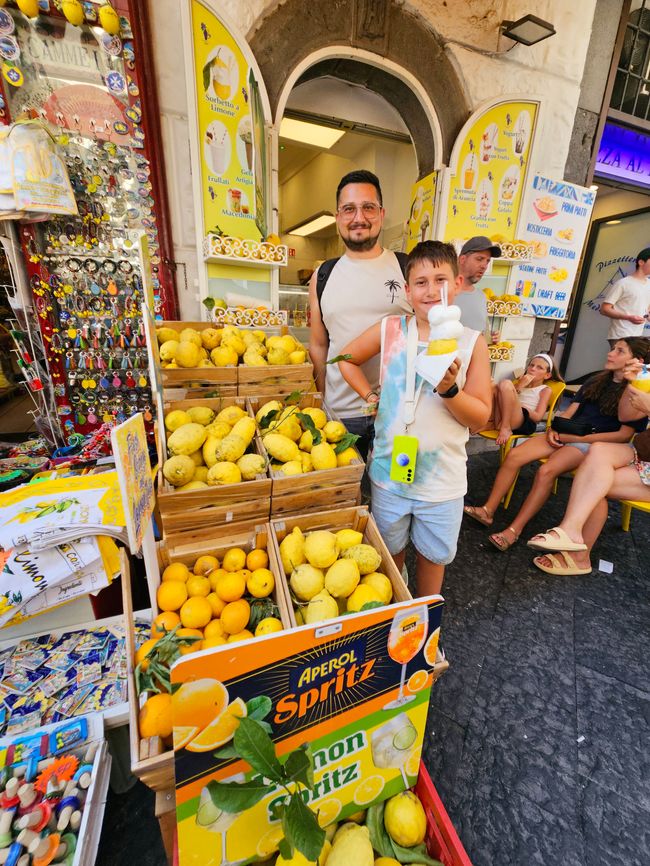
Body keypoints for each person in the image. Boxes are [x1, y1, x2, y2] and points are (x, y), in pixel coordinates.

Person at [338, 241, 491, 596]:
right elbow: (346, 358)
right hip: (390, 473)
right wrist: (371, 396)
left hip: (442, 483)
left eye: (440, 279)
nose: (431, 290)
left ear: (456, 284)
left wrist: (451, 390)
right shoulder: (391, 329)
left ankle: (425, 621)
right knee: (389, 556)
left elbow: (480, 419)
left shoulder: (470, 343)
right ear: (407, 290)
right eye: (420, 282)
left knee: (434, 557)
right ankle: (397, 613)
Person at [463, 337, 650, 551]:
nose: (610, 353)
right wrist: (554, 428)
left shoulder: (641, 391)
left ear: (637, 360)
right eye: (613, 348)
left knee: (546, 472)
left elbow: (623, 436)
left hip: (591, 444)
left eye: (619, 351)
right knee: (514, 456)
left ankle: (514, 530)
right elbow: (570, 412)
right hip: (567, 434)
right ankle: (487, 511)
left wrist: (577, 439)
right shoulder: (596, 380)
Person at [308, 170, 411, 460]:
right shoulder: (323, 275)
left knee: (395, 489)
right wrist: (321, 402)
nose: (359, 218)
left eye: (368, 207)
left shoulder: (406, 268)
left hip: (398, 412)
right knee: (348, 495)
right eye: (349, 209)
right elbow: (318, 344)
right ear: (338, 217)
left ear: (382, 213)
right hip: (341, 413)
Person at [526, 383, 650, 575]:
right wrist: (632, 383)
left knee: (595, 484)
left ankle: (578, 554)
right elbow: (625, 416)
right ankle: (571, 531)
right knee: (598, 451)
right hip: (643, 453)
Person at [479, 353, 560, 446]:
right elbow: (502, 397)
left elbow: (538, 417)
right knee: (490, 383)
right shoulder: (520, 382)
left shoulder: (544, 390)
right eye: (531, 365)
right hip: (504, 417)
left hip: (523, 422)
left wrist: (519, 404)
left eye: (539, 368)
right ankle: (490, 422)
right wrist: (520, 385)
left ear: (547, 375)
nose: (533, 369)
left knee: (506, 383)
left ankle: (505, 427)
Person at [599, 248, 650, 347]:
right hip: (620, 335)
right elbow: (604, 309)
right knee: (618, 362)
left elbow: (646, 308)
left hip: (637, 336)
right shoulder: (623, 283)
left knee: (630, 363)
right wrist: (628, 317)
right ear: (641, 262)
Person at [455, 236, 501, 333]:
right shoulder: (443, 293)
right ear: (462, 259)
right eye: (480, 259)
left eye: (487, 261)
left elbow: (484, 334)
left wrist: (492, 338)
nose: (484, 266)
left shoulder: (481, 296)